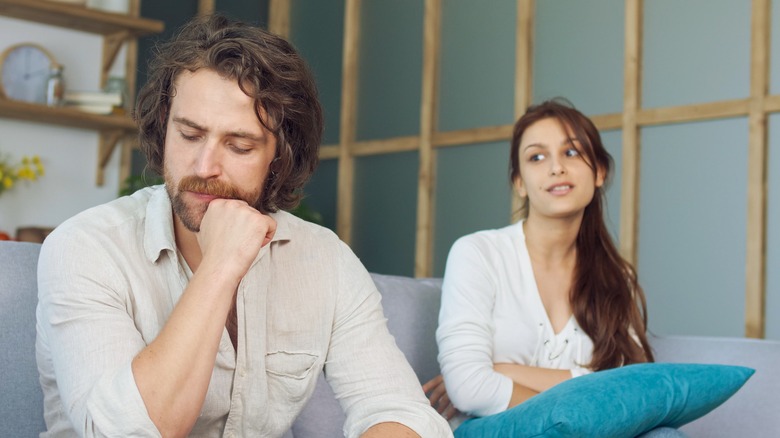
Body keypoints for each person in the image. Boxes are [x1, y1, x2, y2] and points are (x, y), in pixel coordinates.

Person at [35, 14, 451, 438]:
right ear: (164, 128)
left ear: (280, 156)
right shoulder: (86, 248)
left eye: (239, 146)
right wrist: (221, 265)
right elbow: (126, 432)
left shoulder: (324, 259)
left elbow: (399, 408)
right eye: (189, 135)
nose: (204, 167)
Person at [425, 99, 683, 436]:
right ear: (519, 182)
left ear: (599, 172)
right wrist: (584, 405)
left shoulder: (616, 277)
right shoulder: (478, 253)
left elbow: (632, 390)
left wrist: (504, 370)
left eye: (571, 152)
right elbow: (468, 389)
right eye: (537, 157)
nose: (556, 167)